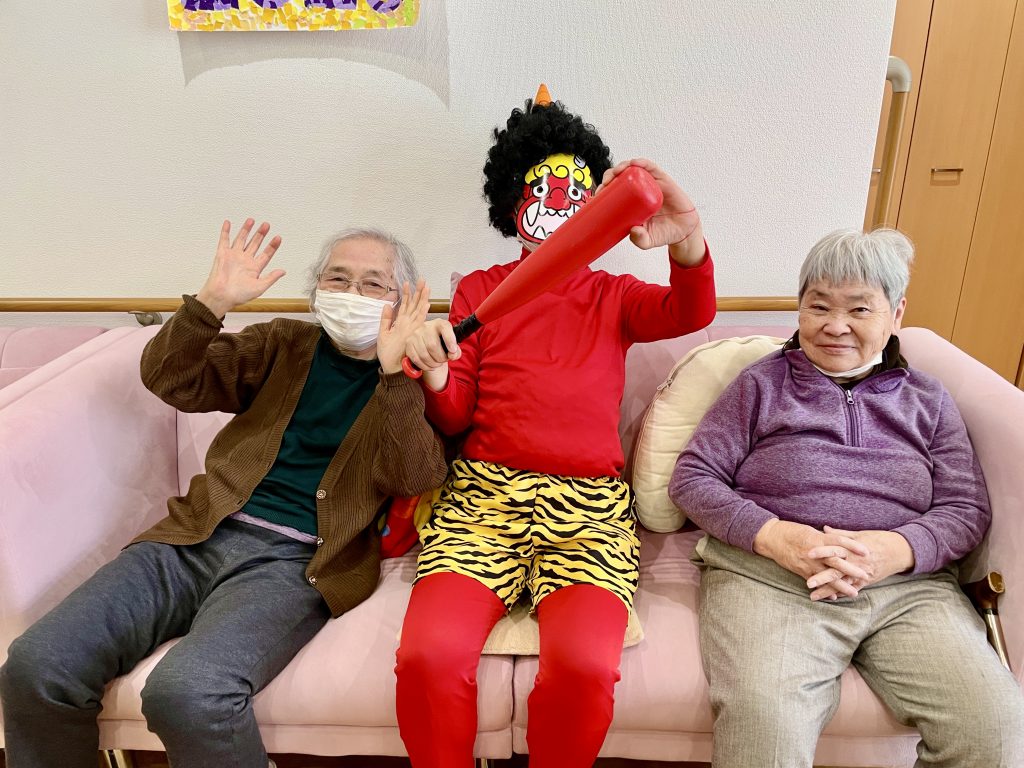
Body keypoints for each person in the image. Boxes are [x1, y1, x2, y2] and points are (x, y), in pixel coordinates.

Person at [0, 220, 448, 768]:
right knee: (38, 665)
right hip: (194, 533)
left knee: (188, 693)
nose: (352, 293)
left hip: (297, 562)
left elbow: (415, 476)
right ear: (316, 291)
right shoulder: (282, 342)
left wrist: (394, 375)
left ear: (402, 303)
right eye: (337, 279)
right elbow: (171, 378)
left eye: (373, 284)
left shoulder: (413, 375)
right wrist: (211, 302)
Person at [395, 86, 717, 767]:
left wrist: (687, 237)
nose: (558, 201)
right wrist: (435, 375)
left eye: (576, 190)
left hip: (589, 515)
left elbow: (690, 313)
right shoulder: (480, 290)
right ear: (512, 200)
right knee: (429, 655)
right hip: (483, 505)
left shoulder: (612, 294)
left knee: (585, 667)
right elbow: (454, 415)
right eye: (541, 188)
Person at [669, 228, 1024, 767]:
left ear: (896, 314)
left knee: (994, 726)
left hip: (907, 590)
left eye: (859, 308)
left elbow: (965, 507)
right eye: (819, 306)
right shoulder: (760, 384)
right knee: (765, 724)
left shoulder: (929, 399)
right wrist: (777, 537)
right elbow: (693, 477)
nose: (835, 326)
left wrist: (894, 551)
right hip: (769, 579)